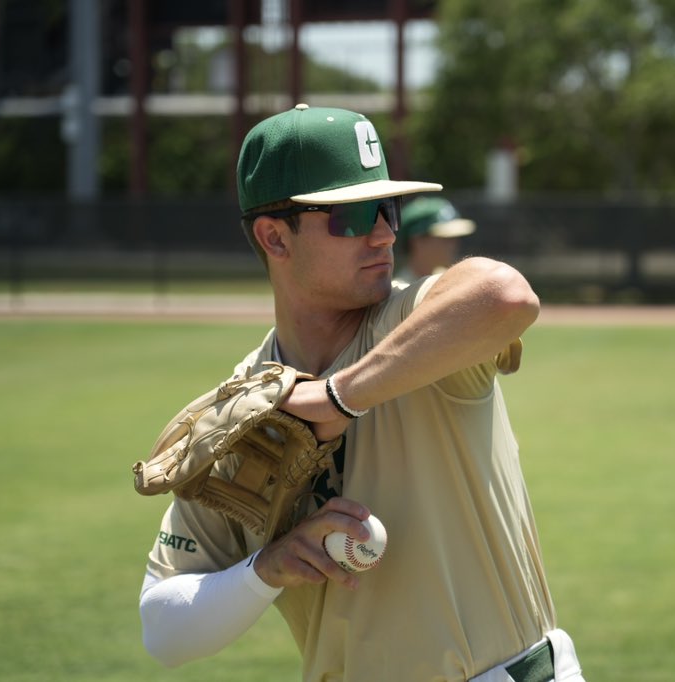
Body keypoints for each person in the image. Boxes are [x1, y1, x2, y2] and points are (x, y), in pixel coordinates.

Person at [136, 103, 586, 681]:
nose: (384, 233)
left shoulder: (413, 325)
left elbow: (506, 295)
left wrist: (336, 397)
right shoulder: (245, 411)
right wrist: (267, 568)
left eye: (386, 209)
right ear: (275, 237)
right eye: (351, 217)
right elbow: (164, 631)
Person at [393, 196, 477, 285]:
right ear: (418, 241)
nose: (454, 244)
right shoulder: (401, 289)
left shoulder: (448, 278)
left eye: (455, 238)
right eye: (445, 238)